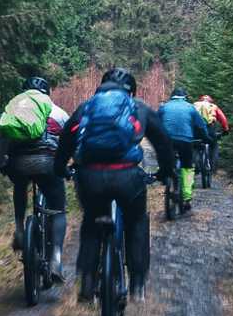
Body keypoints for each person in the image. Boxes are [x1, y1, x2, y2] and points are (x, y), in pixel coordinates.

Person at [55, 68, 160, 302]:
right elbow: (161, 140)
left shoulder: (86, 107)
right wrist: (167, 171)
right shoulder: (138, 107)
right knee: (136, 221)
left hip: (90, 177)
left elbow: (66, 139)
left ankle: (87, 281)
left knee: (92, 221)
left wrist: (60, 168)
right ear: (131, 91)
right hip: (127, 177)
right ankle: (137, 283)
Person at [0, 76, 69, 280]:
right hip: (47, 163)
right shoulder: (56, 111)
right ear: (47, 94)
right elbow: (71, 138)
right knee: (59, 208)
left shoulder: (15, 108)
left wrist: (1, 162)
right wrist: (71, 164)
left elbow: (0, 133)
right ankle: (56, 259)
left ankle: (19, 229)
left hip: (19, 163)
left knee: (20, 185)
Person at [159, 86, 215, 212]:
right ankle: (187, 198)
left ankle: (165, 178)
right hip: (185, 140)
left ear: (172, 96)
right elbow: (200, 126)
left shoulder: (164, 107)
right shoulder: (190, 107)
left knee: (166, 159)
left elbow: (156, 122)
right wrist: (206, 138)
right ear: (185, 97)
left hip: (167, 140)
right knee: (187, 167)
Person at [194, 94, 229, 177]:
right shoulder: (213, 106)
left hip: (196, 130)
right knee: (214, 145)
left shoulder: (194, 105)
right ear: (210, 101)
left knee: (194, 145)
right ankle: (212, 168)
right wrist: (226, 130)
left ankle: (195, 165)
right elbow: (223, 119)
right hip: (210, 129)